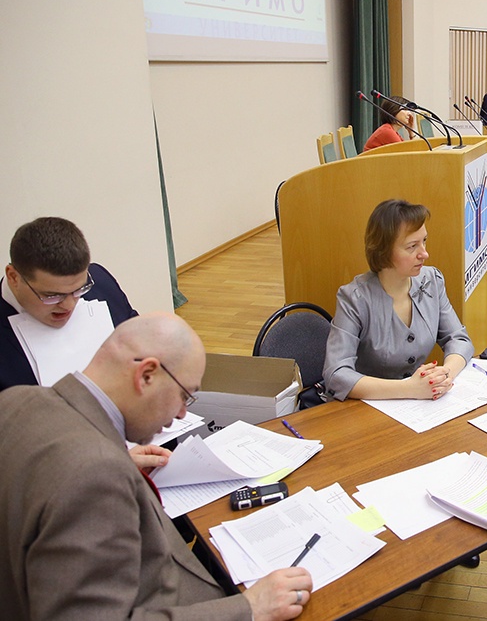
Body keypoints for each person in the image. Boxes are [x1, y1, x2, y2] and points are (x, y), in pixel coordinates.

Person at [0, 313, 314, 620]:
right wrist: (250, 609)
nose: (180, 414)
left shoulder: (17, 400)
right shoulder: (95, 474)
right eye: (184, 396)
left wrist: (116, 458)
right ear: (147, 374)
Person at [323, 200, 474, 400]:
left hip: (415, 406)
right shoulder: (354, 298)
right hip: (365, 408)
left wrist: (444, 375)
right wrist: (411, 389)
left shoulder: (432, 281)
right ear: (383, 251)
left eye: (424, 241)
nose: (425, 254)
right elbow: (336, 374)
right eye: (412, 247)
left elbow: (458, 338)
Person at [2, 217, 138, 392]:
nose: (68, 305)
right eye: (52, 295)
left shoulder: (100, 281)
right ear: (14, 277)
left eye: (79, 289)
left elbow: (137, 340)